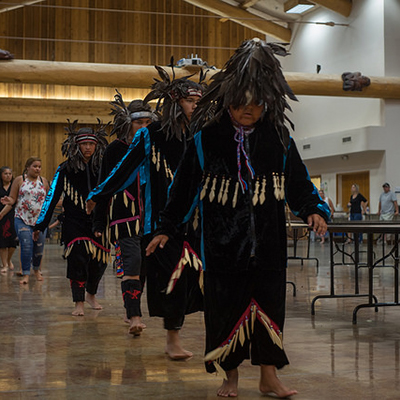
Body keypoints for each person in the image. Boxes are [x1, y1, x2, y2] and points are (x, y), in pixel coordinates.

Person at [146, 38, 330, 398]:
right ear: (228, 100)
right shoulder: (207, 139)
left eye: (256, 104)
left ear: (267, 102)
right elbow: (183, 189)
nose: (248, 110)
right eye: (241, 104)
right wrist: (167, 228)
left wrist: (312, 209)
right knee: (224, 307)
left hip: (269, 244)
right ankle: (229, 377)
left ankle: (268, 376)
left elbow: (298, 182)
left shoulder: (278, 137)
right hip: (222, 244)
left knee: (270, 306)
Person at [86, 66, 205, 359]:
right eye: (191, 101)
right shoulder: (151, 135)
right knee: (170, 279)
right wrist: (97, 195)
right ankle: (171, 339)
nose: (196, 106)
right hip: (159, 222)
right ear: (175, 101)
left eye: (200, 101)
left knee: (193, 279)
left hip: (197, 220)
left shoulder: (203, 134)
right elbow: (122, 171)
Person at [93, 94, 156, 335]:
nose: (144, 127)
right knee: (133, 261)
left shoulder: (155, 147)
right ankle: (134, 316)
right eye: (139, 122)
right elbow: (104, 183)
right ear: (128, 123)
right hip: (124, 215)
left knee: (144, 268)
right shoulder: (116, 149)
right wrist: (99, 220)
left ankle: (131, 307)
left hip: (150, 216)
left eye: (148, 123)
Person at [34, 121, 110, 316]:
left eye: (91, 144)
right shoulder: (65, 169)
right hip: (74, 221)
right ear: (76, 145)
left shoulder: (102, 168)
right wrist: (41, 224)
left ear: (97, 145)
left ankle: (91, 294)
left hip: (99, 221)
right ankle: (79, 302)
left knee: (100, 261)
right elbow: (51, 196)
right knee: (78, 258)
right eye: (84, 144)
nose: (88, 147)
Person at [0, 157, 49, 284]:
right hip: (22, 218)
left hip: (39, 220)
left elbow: (50, 200)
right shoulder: (19, 180)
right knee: (26, 245)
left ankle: (37, 270)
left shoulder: (43, 181)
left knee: (39, 248)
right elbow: (12, 199)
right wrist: (7, 201)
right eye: (35, 166)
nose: (37, 168)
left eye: (39, 166)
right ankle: (26, 274)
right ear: (28, 167)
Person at [0, 166, 17, 273]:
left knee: (12, 243)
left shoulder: (14, 186)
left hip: (13, 216)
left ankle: (9, 259)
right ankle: (4, 264)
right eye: (5, 173)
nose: (8, 175)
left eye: (10, 173)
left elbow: (14, 201)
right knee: (2, 242)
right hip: (0, 217)